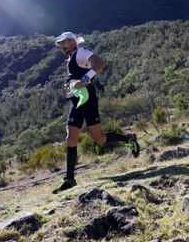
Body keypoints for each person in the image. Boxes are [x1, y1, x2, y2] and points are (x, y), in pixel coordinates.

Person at [52, 32, 140, 194]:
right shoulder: (71, 57)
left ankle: (129, 139)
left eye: (64, 42)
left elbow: (99, 63)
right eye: (60, 43)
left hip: (88, 97)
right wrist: (70, 84)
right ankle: (70, 179)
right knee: (70, 138)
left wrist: (84, 79)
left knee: (99, 139)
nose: (61, 46)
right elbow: (77, 77)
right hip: (76, 98)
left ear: (72, 41)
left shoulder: (81, 51)